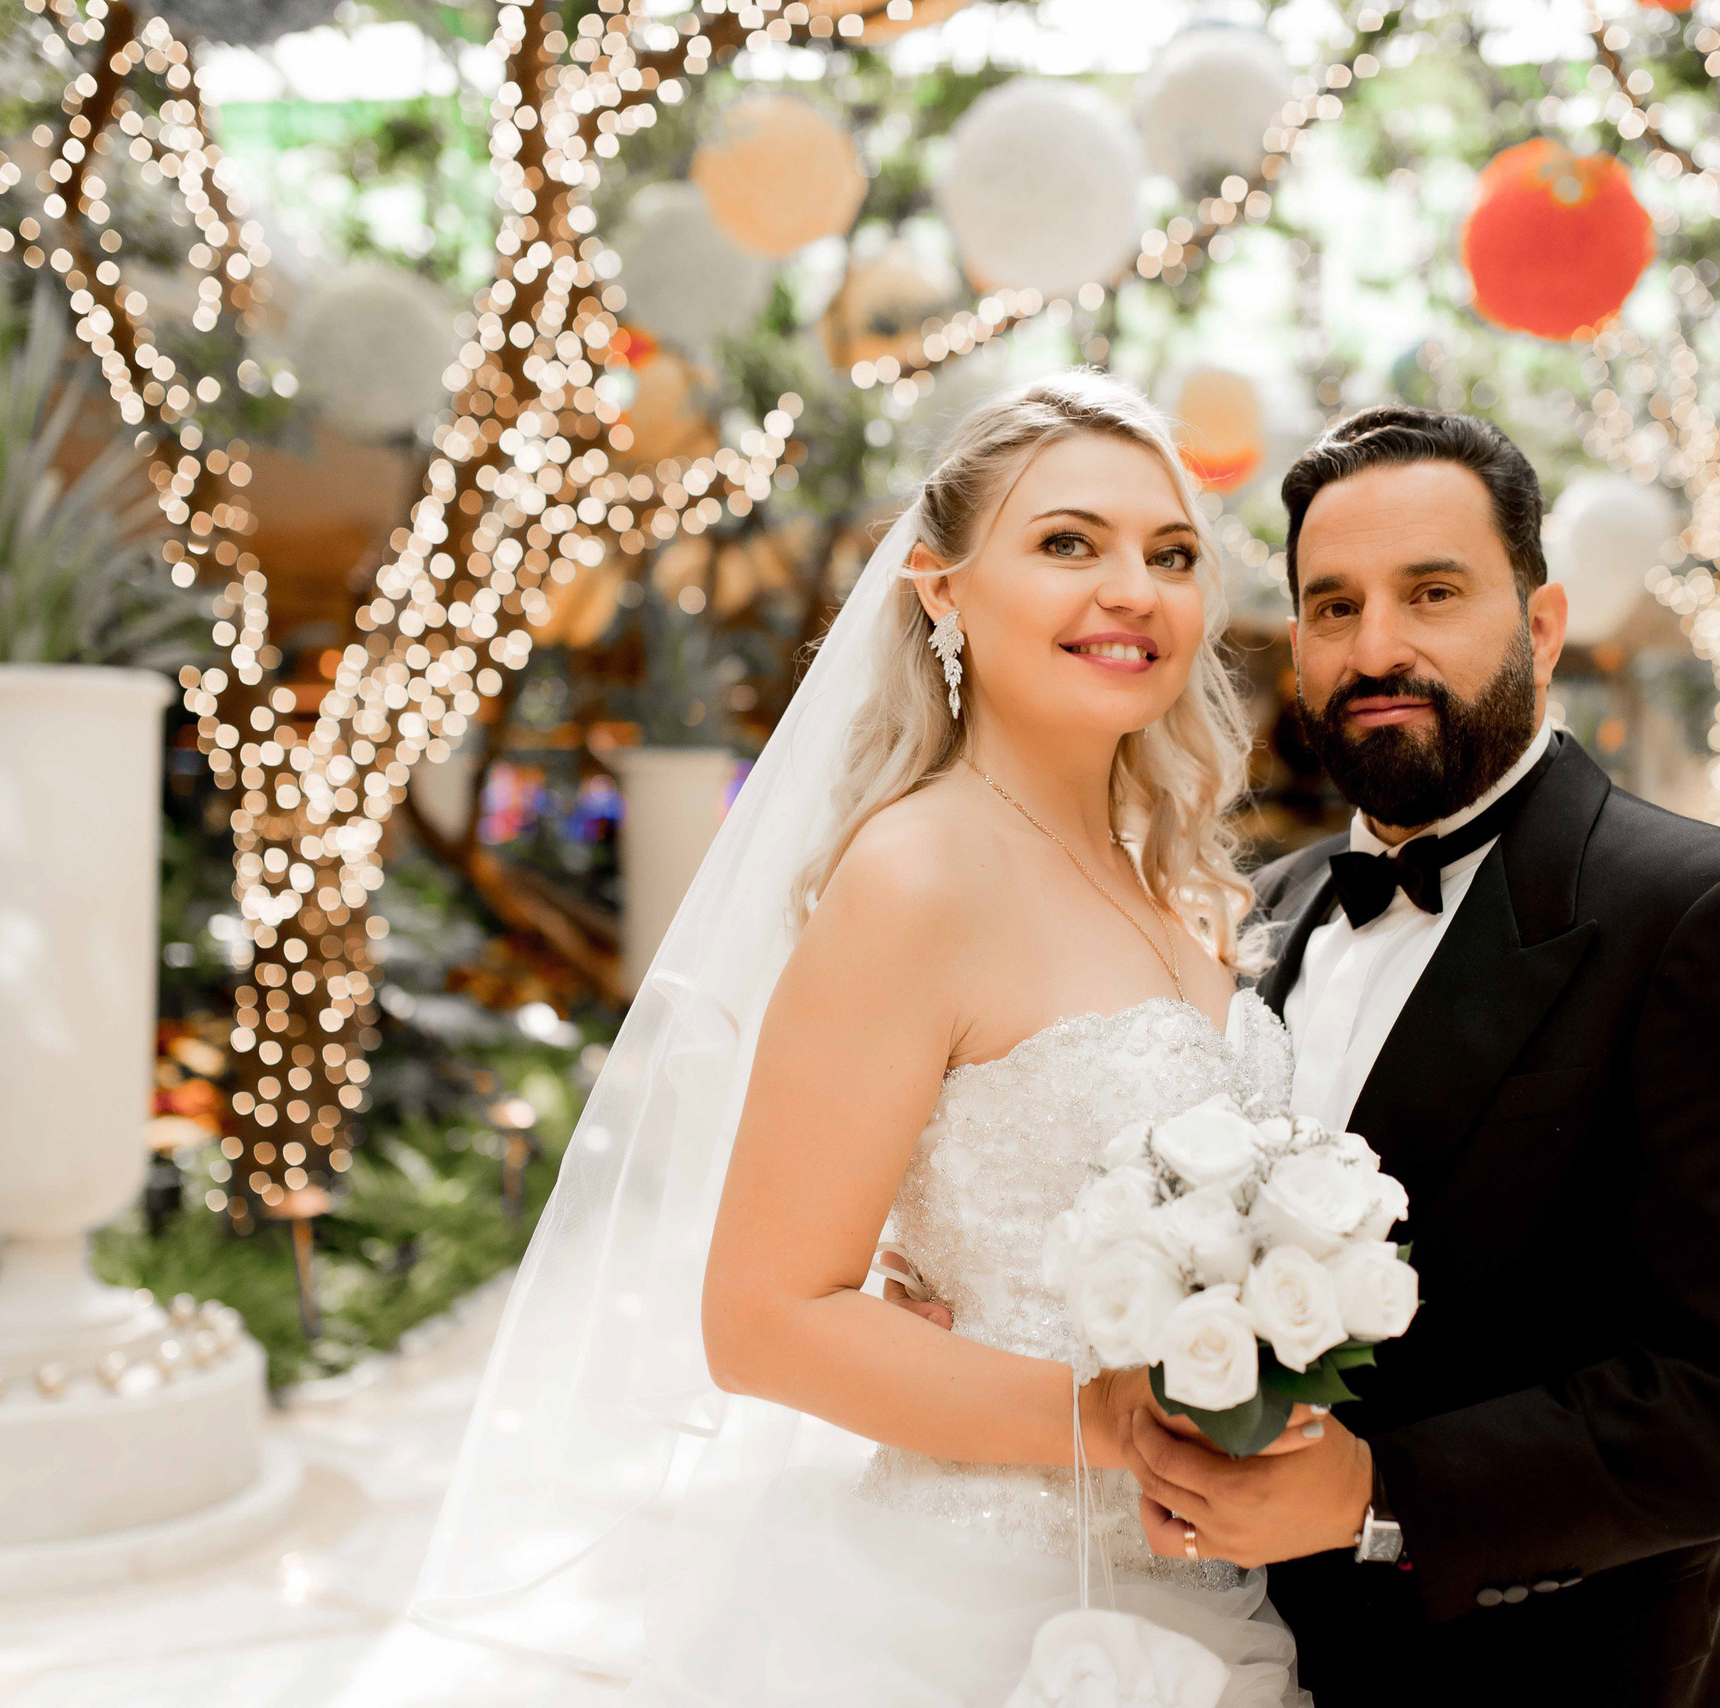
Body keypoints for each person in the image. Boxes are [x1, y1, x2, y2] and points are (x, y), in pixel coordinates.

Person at [410, 372, 1313, 1704]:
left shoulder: (1180, 887)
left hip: (1194, 1595)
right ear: (942, 588)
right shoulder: (918, 873)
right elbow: (764, 1320)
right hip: (976, 1612)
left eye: (1170, 554)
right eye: (1069, 541)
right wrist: (1103, 1420)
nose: (1135, 586)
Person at [1114, 406, 1720, 1706]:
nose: (1378, 648)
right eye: (1332, 605)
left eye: (1433, 592)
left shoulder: (1719, 917)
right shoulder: (1270, 909)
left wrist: (1381, 1493)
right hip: (1229, 1653)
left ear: (1539, 626)